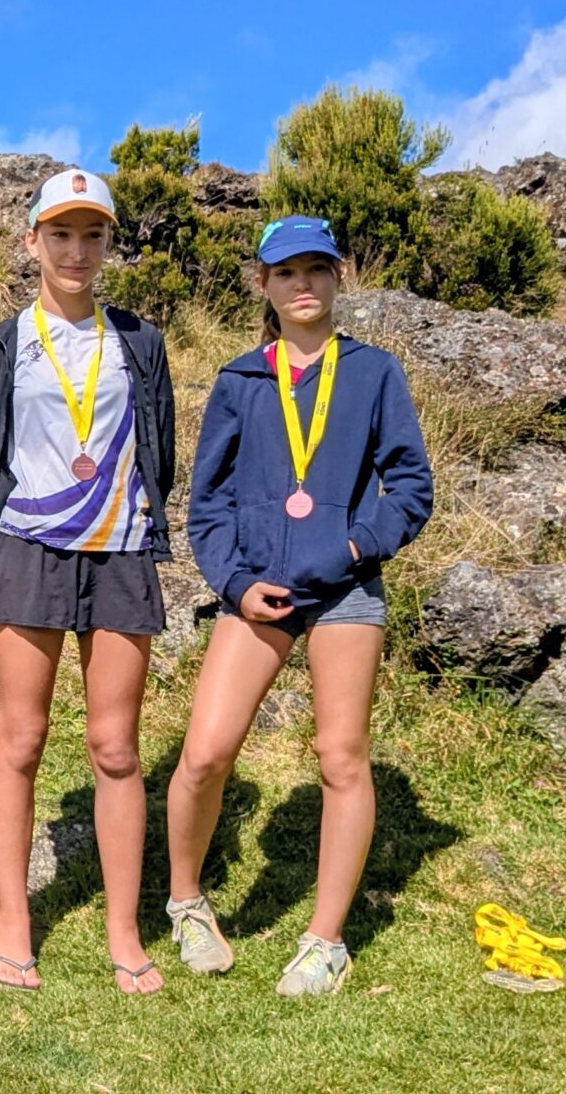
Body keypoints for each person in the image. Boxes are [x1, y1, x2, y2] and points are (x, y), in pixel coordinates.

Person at [168, 215, 433, 997]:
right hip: (256, 594)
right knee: (206, 753)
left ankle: (325, 941)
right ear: (264, 286)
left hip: (345, 589)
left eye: (317, 269)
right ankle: (186, 902)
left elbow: (411, 488)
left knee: (341, 757)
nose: (303, 285)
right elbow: (205, 505)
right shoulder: (239, 381)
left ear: (339, 276)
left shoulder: (375, 374)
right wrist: (234, 583)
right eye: (286, 273)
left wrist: (352, 549)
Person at [0, 170, 176, 994]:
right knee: (20, 739)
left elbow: (159, 445)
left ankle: (125, 929)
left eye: (93, 236)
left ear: (109, 245)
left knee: (115, 748)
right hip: (31, 551)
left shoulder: (141, 342)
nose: (77, 252)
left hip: (121, 553)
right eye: (61, 234)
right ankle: (14, 917)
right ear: (32, 243)